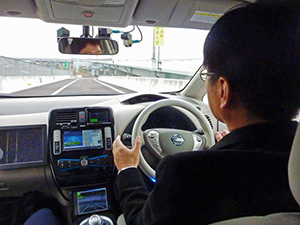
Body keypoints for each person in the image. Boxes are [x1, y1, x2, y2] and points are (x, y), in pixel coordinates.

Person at [113, 1, 300, 225]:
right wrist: (226, 147)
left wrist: (127, 170)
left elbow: (138, 222)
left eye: (207, 74)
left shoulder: (185, 173)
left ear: (223, 90)